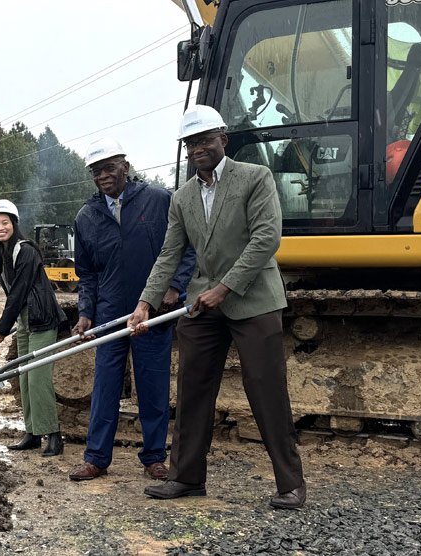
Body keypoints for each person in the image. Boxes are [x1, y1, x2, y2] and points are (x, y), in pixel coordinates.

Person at [129, 105, 306, 509]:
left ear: (222, 140)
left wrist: (225, 287)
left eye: (205, 140)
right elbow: (169, 255)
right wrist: (145, 303)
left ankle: (290, 483)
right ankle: (186, 478)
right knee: (191, 389)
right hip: (203, 305)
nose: (198, 149)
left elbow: (266, 239)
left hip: (253, 299)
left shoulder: (254, 178)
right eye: (191, 143)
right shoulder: (183, 197)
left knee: (265, 389)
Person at [68, 137, 195, 483]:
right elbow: (87, 274)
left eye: (109, 167)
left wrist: (176, 286)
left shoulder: (158, 200)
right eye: (96, 171)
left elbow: (186, 247)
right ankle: (96, 458)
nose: (103, 176)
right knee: (105, 386)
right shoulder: (87, 217)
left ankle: (154, 457)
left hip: (153, 309)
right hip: (111, 313)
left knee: (152, 385)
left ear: (125, 165)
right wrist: (85, 313)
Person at [0, 199, 67, 457]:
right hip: (25, 319)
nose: (0, 228)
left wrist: (2, 326)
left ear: (14, 224)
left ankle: (54, 436)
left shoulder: (26, 251)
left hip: (41, 318)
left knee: (38, 377)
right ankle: (32, 433)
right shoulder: (1, 253)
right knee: (24, 377)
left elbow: (19, 292)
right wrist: (12, 322)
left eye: (5, 223)